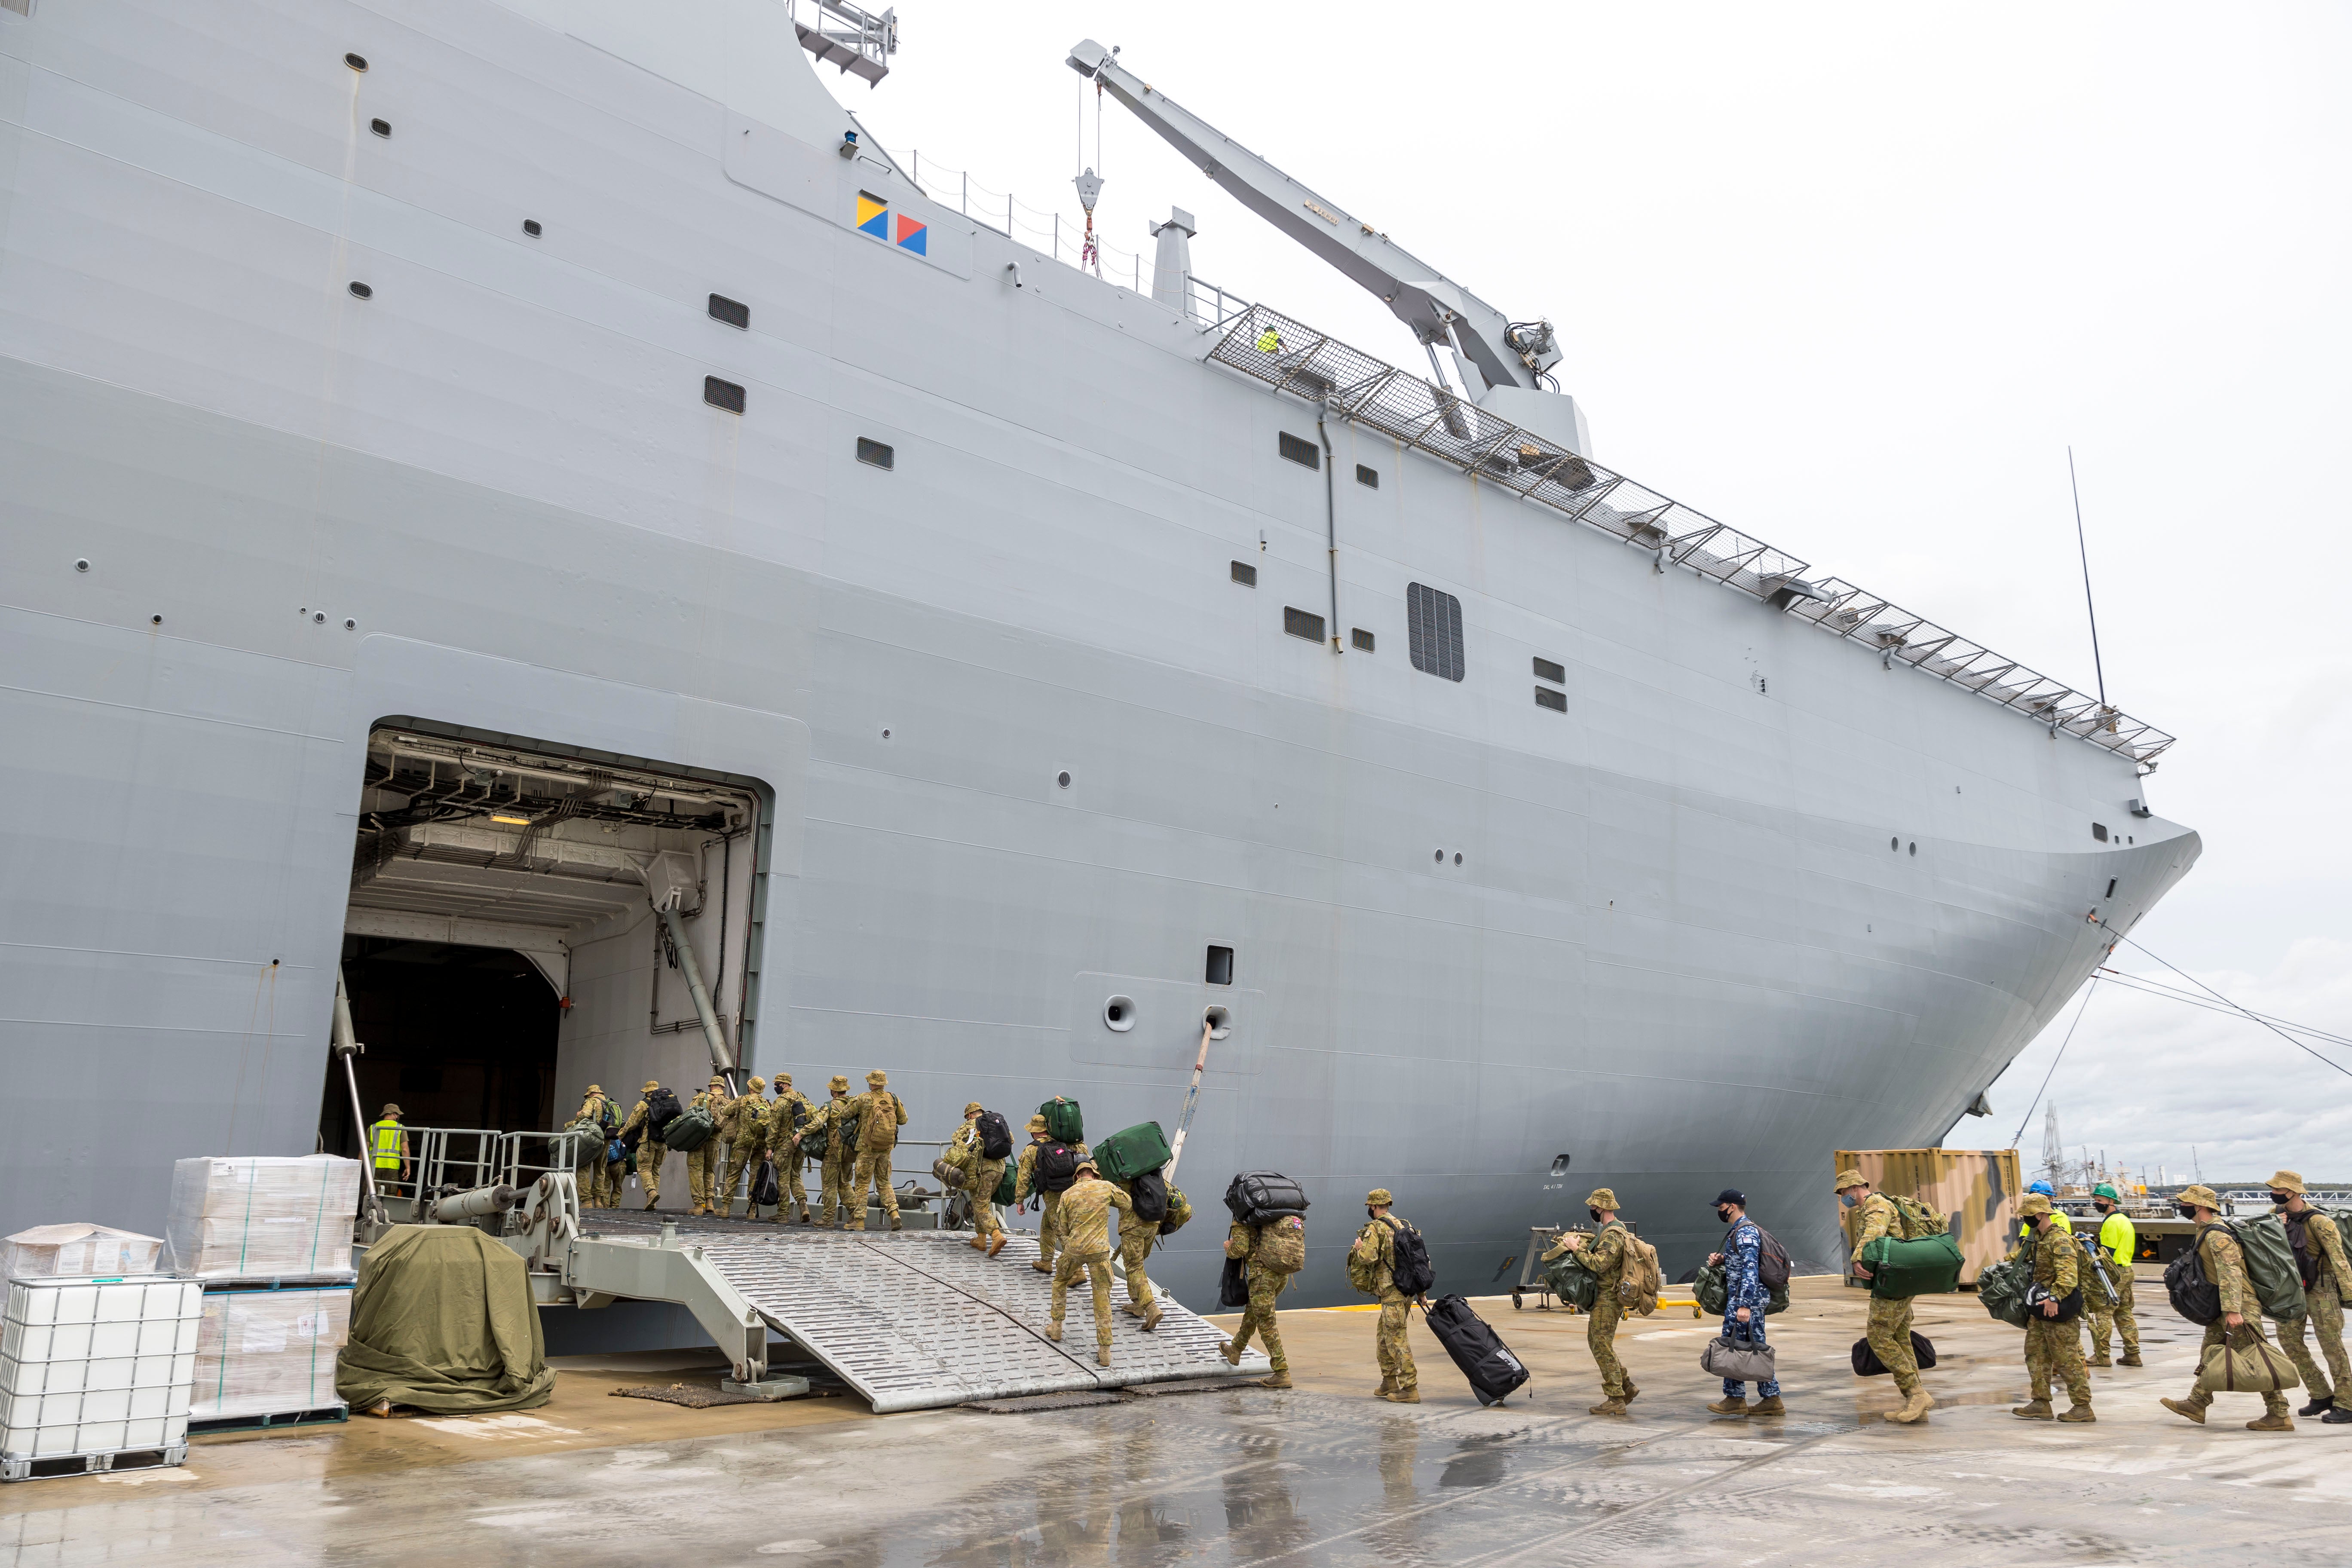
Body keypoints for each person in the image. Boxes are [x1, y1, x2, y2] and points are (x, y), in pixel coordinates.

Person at [2160, 1184, 2294, 1431]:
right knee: (2211, 1353)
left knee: (2256, 1358)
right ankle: (2197, 1403)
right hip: (2223, 1306)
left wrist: (2234, 1310)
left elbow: (2231, 1273)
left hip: (2239, 1305)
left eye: (2186, 1203)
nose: (2182, 1207)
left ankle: (2279, 1414)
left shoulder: (2217, 1236)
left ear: (2199, 1206)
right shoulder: (2205, 1232)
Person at [1841, 1168, 1932, 1424]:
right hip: (1898, 1278)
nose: (1842, 1198)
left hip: (1894, 1281)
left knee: (1878, 1335)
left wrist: (1857, 1257)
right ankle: (1916, 1400)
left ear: (1854, 1189)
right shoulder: (1877, 1203)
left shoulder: (1876, 1204)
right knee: (1901, 1337)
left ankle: (1916, 1393)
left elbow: (1875, 1232)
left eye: (1843, 1192)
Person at [1540, 1188, 1641, 1416]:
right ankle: (1625, 1386)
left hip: (1609, 1298)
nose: (1591, 1211)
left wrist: (1576, 1250)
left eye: (1594, 1207)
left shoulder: (1613, 1234)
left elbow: (1599, 1265)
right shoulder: (1612, 1230)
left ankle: (1616, 1397)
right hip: (1607, 1295)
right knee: (1601, 1342)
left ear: (1602, 1208)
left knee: (1600, 1344)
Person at [2269, 1170, 2352, 1423]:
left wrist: (2348, 1294)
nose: (2273, 1194)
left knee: (2331, 1346)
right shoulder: (2274, 1217)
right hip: (2291, 1291)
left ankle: (2347, 1402)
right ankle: (2321, 1394)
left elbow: (2339, 1260)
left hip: (2321, 1290)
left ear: (2293, 1192)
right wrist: (2275, 1229)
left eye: (2279, 1190)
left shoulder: (2320, 1221)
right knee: (2289, 1341)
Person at [2013, 1191, 2094, 1421]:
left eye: (2028, 1215)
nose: (2025, 1220)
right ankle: (2040, 1403)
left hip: (2057, 1307)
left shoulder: (2059, 1239)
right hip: (2040, 1308)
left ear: (2040, 1214)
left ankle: (2083, 1407)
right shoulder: (2037, 1238)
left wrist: (2055, 1298)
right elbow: (2021, 1258)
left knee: (2066, 1358)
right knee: (2035, 1355)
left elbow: (2069, 1276)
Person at [1704, 1189, 1783, 1418]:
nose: (1719, 1211)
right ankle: (1761, 1398)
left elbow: (1751, 1269)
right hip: (1742, 1298)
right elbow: (1744, 1262)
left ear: (1733, 1207)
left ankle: (1741, 1398)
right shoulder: (1740, 1230)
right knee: (1742, 1347)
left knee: (1743, 1348)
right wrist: (1724, 1259)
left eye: (1721, 1207)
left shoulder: (1745, 1232)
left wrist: (1745, 1305)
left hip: (1745, 1299)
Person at [1044, 1159, 1131, 1368]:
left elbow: (1062, 1229)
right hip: (1100, 1253)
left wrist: (1071, 1244)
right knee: (1102, 1298)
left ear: (1077, 1177)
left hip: (1074, 1250)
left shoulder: (1067, 1195)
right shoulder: (1106, 1187)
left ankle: (1056, 1328)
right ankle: (1105, 1352)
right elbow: (1127, 1203)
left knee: (1060, 1282)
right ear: (1095, 1174)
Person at [1221, 1202, 1303, 1389]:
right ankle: (1235, 1350)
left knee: (1266, 1323)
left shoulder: (1244, 1219)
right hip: (1280, 1275)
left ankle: (1282, 1372)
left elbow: (1240, 1249)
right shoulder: (1274, 1215)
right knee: (1253, 1312)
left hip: (1262, 1277)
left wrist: (1229, 1248)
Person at [1348, 1188, 1419, 1403]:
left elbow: (1369, 1258)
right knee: (1383, 1338)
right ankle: (1389, 1380)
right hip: (1406, 1293)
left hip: (1392, 1294)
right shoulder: (1405, 1226)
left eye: (1370, 1206)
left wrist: (1360, 1248)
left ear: (1374, 1206)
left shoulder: (1377, 1228)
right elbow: (1417, 1261)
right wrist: (1422, 1293)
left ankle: (1410, 1388)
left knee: (1398, 1340)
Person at [1014, 1113, 1091, 1276]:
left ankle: (1077, 1271)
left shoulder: (1031, 1149)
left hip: (1053, 1195)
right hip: (1073, 1191)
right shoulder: (1066, 1144)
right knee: (1048, 1225)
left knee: (1062, 1231)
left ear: (1034, 1132)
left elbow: (1023, 1177)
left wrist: (1020, 1201)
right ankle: (1046, 1261)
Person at [2086, 1182, 2142, 1368]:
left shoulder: (2111, 1222)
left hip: (2113, 1273)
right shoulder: (2124, 1220)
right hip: (2127, 1269)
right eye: (2096, 1200)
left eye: (2100, 1200)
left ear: (2111, 1201)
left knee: (2103, 1312)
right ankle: (2133, 1353)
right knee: (2124, 1312)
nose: (2097, 1203)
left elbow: (2106, 1252)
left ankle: (2102, 1355)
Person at [848, 1070, 908, 1232]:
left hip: (867, 1148)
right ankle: (894, 1213)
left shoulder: (864, 1098)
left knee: (862, 1184)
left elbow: (845, 1114)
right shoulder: (893, 1098)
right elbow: (903, 1120)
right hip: (886, 1149)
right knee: (884, 1182)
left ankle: (859, 1221)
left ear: (872, 1084)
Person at [800, 1075, 855, 1228]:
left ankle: (828, 1219)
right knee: (844, 1183)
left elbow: (817, 1123)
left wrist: (801, 1133)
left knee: (829, 1185)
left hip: (834, 1150)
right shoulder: (854, 1104)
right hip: (850, 1151)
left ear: (834, 1090)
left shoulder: (830, 1106)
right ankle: (855, 1213)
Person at [1113, 1173, 1163, 1328]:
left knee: (1134, 1267)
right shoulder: (1154, 1174)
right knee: (1137, 1266)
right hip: (1153, 1224)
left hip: (1134, 1227)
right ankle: (1138, 1304)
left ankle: (1151, 1307)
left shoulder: (1124, 1176)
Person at [765, 1073, 815, 1224]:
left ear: (785, 1085)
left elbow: (773, 1128)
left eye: (778, 1084)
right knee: (795, 1176)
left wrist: (769, 1149)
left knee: (783, 1178)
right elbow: (814, 1115)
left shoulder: (780, 1102)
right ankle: (803, 1207)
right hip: (800, 1143)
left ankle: (783, 1214)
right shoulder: (802, 1098)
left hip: (785, 1145)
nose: (776, 1087)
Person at [717, 1075, 769, 1217]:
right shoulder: (766, 1103)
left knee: (734, 1174)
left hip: (742, 1144)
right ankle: (752, 1210)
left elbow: (726, 1111)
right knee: (755, 1177)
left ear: (751, 1088)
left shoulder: (742, 1100)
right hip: (760, 1145)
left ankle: (726, 1208)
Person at [617, 1080, 668, 1210]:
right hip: (663, 1143)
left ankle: (651, 1192)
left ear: (647, 1092)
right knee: (656, 1171)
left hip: (648, 1142)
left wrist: (620, 1135)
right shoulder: (667, 1102)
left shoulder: (644, 1104)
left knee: (644, 1169)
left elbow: (632, 1123)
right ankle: (653, 1202)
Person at [683, 1075, 730, 1216]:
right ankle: (709, 1202)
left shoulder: (702, 1097)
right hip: (715, 1139)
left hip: (699, 1139)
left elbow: (688, 1115)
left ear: (711, 1087)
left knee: (696, 1169)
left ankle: (698, 1205)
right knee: (709, 1170)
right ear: (722, 1087)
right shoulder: (728, 1101)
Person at [567, 1085, 614, 1207]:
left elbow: (586, 1114)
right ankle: (598, 1201)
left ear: (591, 1094)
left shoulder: (592, 1101)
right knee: (600, 1170)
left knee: (583, 1168)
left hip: (592, 1139)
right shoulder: (609, 1103)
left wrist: (578, 1115)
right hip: (605, 1139)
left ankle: (587, 1201)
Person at [368, 1103, 410, 1190]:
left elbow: (364, 1149)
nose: (398, 1116)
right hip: (392, 1167)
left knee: (371, 1193)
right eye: (397, 1114)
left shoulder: (373, 1128)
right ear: (393, 1113)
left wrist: (361, 1166)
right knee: (389, 1194)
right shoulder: (400, 1128)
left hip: (373, 1166)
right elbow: (405, 1150)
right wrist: (408, 1167)